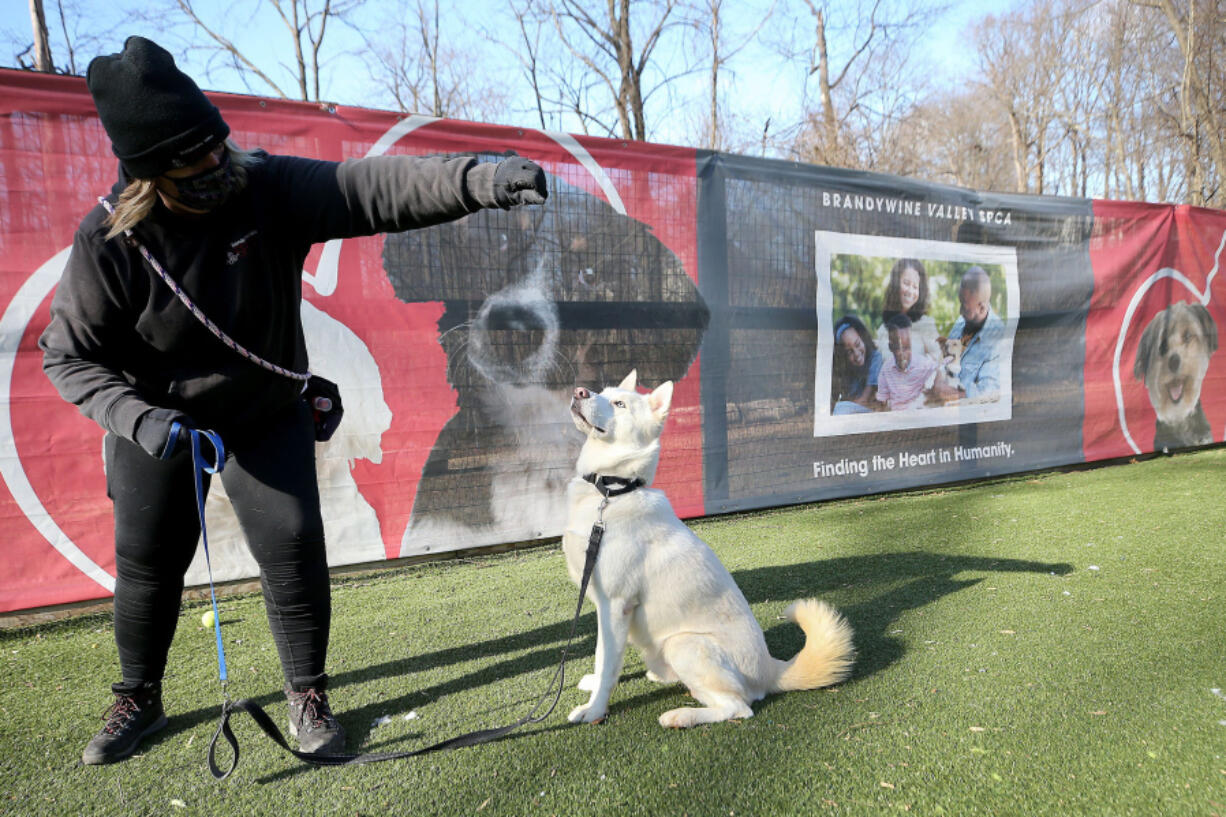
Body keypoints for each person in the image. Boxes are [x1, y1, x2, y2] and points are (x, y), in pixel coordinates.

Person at [38, 36, 548, 766]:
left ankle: (308, 694)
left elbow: (371, 190)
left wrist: (480, 178)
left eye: (217, 144)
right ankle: (137, 697)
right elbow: (67, 354)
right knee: (147, 565)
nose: (217, 162)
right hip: (158, 424)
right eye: (195, 159)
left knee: (295, 546)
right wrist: (143, 421)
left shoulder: (264, 188)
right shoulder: (110, 242)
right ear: (149, 172)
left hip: (263, 409)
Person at [938, 266, 1003, 401]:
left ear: (982, 307)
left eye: (965, 307)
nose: (960, 312)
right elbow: (946, 362)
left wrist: (952, 392)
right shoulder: (962, 321)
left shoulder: (998, 339)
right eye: (960, 303)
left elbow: (987, 392)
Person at [875, 258, 942, 368]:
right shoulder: (884, 328)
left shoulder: (925, 324)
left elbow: (938, 358)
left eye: (915, 287)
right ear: (895, 284)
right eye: (906, 283)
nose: (910, 291)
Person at [875, 314, 938, 411]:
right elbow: (882, 401)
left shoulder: (922, 364)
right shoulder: (886, 370)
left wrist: (936, 384)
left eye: (906, 347)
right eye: (897, 348)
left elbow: (939, 369)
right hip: (897, 419)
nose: (902, 353)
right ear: (890, 347)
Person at [831, 315, 882, 414]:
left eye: (858, 344)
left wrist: (844, 404)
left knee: (840, 409)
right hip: (853, 411)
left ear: (864, 339)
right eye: (849, 352)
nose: (857, 354)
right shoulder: (846, 369)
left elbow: (865, 399)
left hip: (871, 412)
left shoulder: (875, 357)